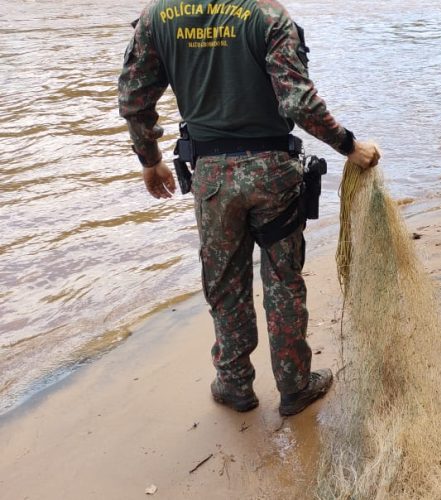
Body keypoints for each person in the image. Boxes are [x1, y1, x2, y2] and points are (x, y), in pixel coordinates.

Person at [118, 0, 379, 416]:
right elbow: (298, 102)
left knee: (224, 282)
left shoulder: (157, 17)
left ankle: (235, 383)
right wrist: (349, 145)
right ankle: (294, 385)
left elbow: (134, 100)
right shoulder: (267, 15)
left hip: (212, 179)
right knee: (283, 279)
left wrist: (150, 160)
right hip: (274, 173)